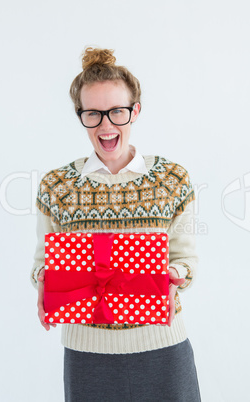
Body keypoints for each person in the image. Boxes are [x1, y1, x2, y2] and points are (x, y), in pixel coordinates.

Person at [31, 47, 201, 402]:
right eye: (93, 113)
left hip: (163, 351)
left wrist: (175, 276)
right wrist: (44, 281)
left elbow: (186, 258)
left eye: (116, 112)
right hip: (87, 356)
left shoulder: (172, 178)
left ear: (134, 111)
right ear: (81, 116)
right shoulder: (57, 186)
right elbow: (41, 262)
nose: (106, 125)